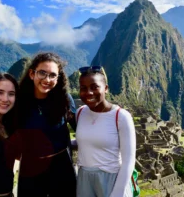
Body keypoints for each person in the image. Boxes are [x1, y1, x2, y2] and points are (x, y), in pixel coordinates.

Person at [15, 52, 77, 197]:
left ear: (58, 78)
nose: (47, 79)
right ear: (32, 74)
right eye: (42, 73)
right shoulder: (20, 102)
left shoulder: (64, 100)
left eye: (52, 75)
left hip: (61, 168)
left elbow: (82, 129)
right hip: (31, 170)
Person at [76, 66, 136, 197]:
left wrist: (118, 192)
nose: (89, 93)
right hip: (84, 179)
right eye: (83, 88)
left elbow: (128, 161)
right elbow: (86, 141)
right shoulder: (80, 113)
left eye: (94, 87)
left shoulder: (121, 116)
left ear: (106, 88)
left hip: (111, 179)